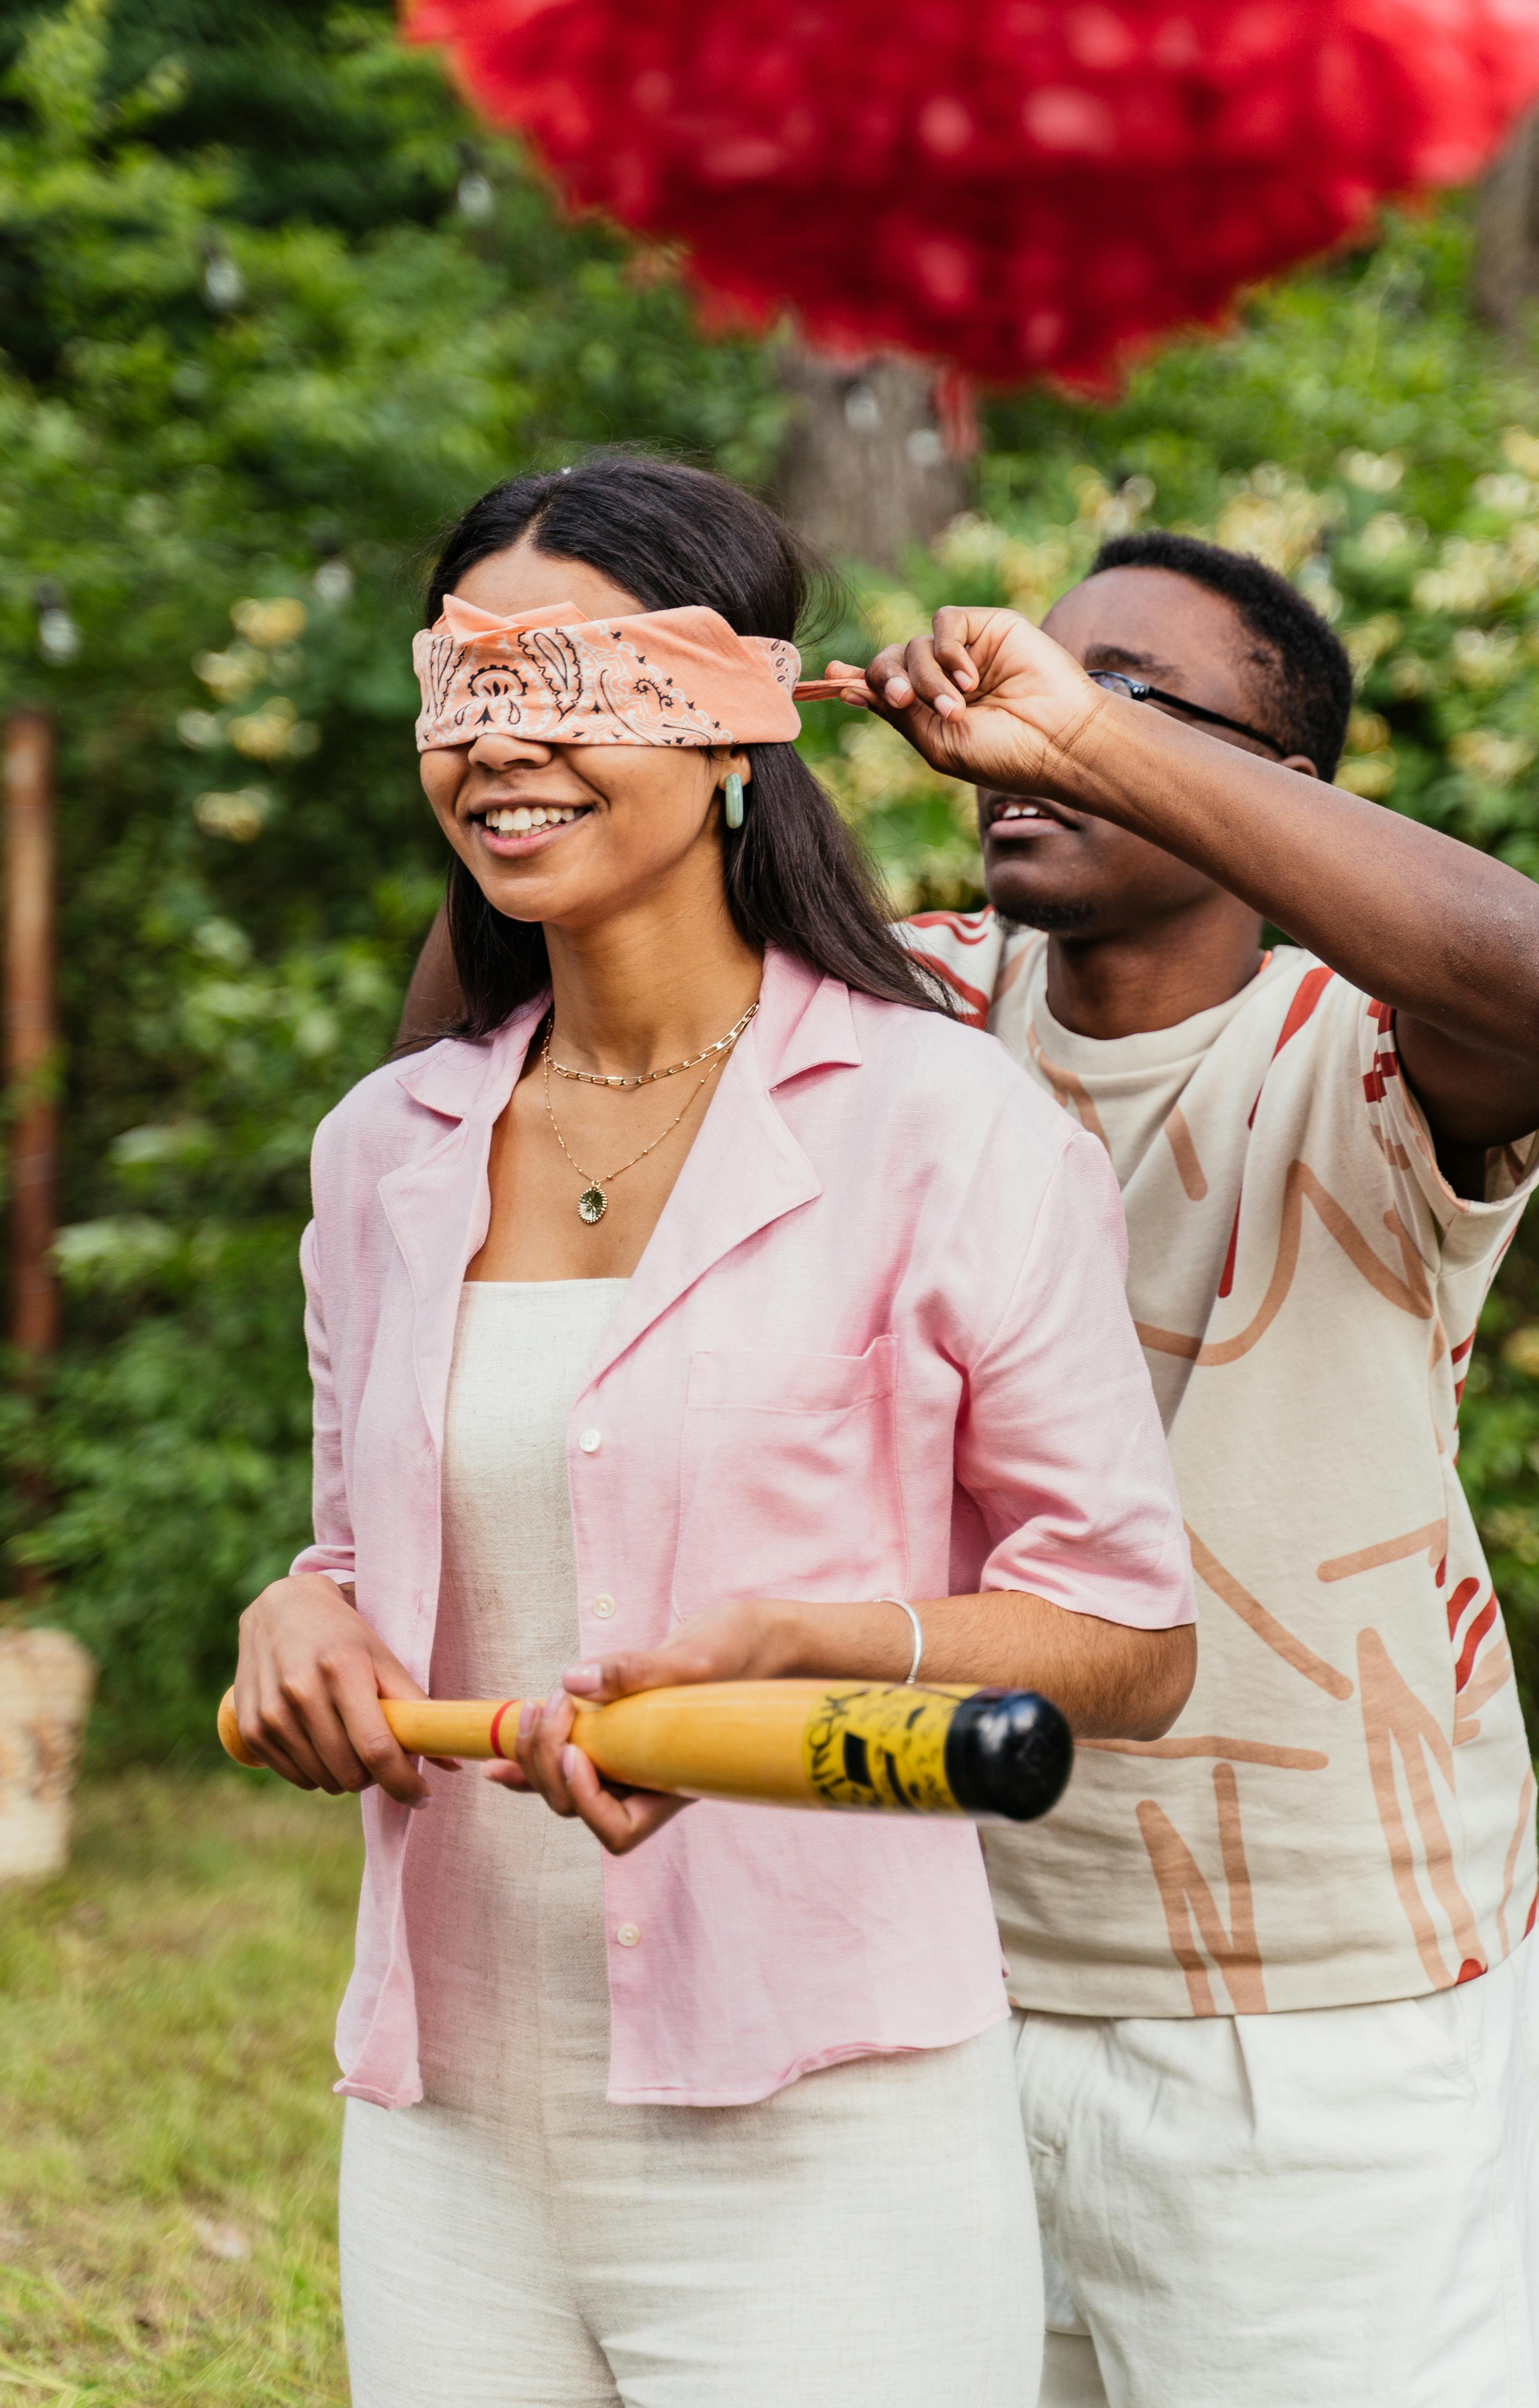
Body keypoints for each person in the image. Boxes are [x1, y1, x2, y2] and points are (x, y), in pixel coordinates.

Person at [235, 457, 1196, 2408]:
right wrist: (301, 1614)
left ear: (736, 721)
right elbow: (357, 1550)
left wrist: (813, 1638)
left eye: (576, 680)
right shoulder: (386, 1156)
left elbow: (1129, 1641)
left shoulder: (945, 1125)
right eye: (469, 685)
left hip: (824, 2127)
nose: (511, 741)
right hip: (450, 2133)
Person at [805, 531, 1539, 2408]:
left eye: (1140, 693)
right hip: (930, 1971)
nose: (1038, 726)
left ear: (1274, 793)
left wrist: (1086, 733)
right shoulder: (912, 1017)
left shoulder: (1365, 1057)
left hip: (1320, 2017)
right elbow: (502, 1051)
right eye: (1046, 678)